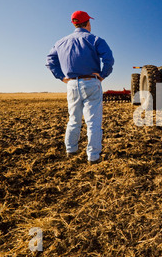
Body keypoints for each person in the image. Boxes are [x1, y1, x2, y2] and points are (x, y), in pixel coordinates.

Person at [45, 10, 114, 163]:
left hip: (71, 85)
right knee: (93, 122)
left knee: (74, 120)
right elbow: (109, 59)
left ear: (74, 23)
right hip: (91, 82)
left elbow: (50, 61)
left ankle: (71, 150)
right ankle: (93, 156)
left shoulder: (60, 42)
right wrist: (102, 75)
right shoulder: (95, 39)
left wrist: (62, 77)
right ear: (88, 23)